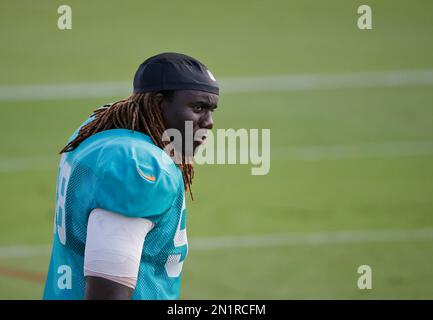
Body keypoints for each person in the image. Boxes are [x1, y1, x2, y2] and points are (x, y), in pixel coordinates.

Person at [42, 52, 219, 299]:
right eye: (197, 107)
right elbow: (108, 293)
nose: (209, 122)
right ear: (158, 103)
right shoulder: (136, 165)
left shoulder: (95, 132)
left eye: (211, 110)